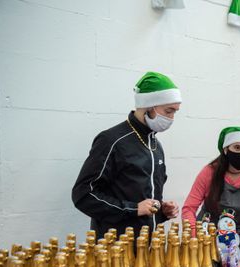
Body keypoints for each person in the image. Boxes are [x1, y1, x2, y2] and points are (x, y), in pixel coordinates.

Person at [72, 71, 181, 238]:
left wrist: (162, 210)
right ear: (149, 106)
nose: (172, 118)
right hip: (115, 249)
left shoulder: (155, 145)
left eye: (175, 112)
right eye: (168, 111)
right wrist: (133, 208)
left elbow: (146, 201)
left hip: (150, 248)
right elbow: (84, 195)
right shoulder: (112, 140)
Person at [181, 126, 240, 256]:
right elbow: (188, 208)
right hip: (205, 241)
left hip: (238, 245)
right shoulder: (208, 173)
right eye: (237, 147)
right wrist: (196, 235)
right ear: (226, 149)